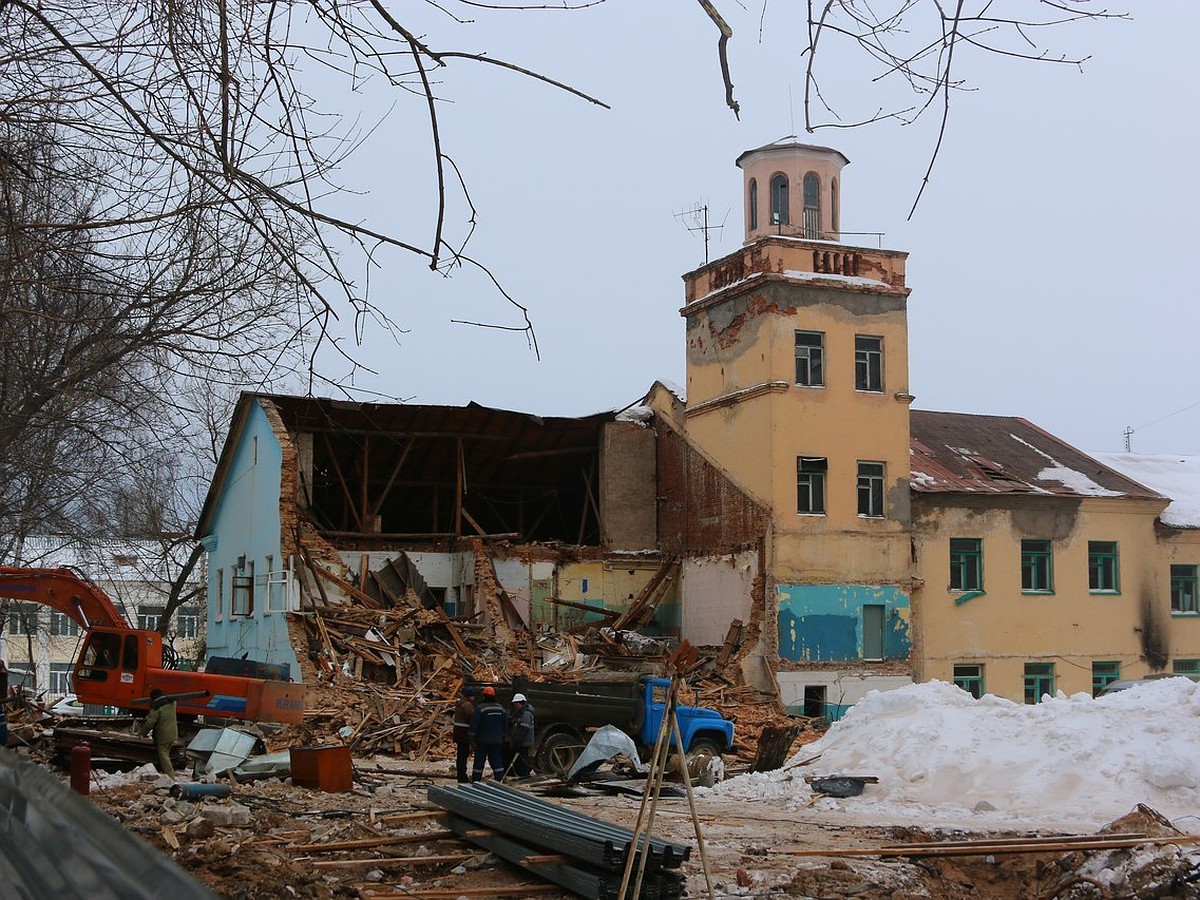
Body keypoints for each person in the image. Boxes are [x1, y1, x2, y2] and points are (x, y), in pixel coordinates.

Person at [137, 688, 179, 778]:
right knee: (165, 754)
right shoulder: (172, 703)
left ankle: (171, 777)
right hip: (173, 733)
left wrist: (142, 733)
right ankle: (165, 774)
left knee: (163, 757)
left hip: (163, 736)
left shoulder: (157, 706)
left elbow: (149, 723)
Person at [468, 685, 506, 782]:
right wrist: (502, 736)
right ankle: (500, 779)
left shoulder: (480, 708)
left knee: (479, 761)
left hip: (482, 740)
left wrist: (472, 739)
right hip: (497, 740)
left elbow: (474, 725)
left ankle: (476, 780)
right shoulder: (501, 708)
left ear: (484, 696)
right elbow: (505, 725)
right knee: (496, 760)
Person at [506, 692, 535, 780]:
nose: (515, 705)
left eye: (516, 703)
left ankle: (525, 776)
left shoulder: (525, 714)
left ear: (521, 702)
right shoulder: (522, 712)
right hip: (523, 741)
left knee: (522, 760)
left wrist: (517, 740)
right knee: (521, 759)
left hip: (524, 742)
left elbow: (523, 729)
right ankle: (523, 775)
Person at [452, 686, 477, 783]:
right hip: (464, 734)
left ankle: (461, 775)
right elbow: (472, 718)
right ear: (469, 696)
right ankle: (462, 776)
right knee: (463, 755)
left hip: (458, 733)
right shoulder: (467, 705)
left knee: (460, 755)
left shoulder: (460, 704)